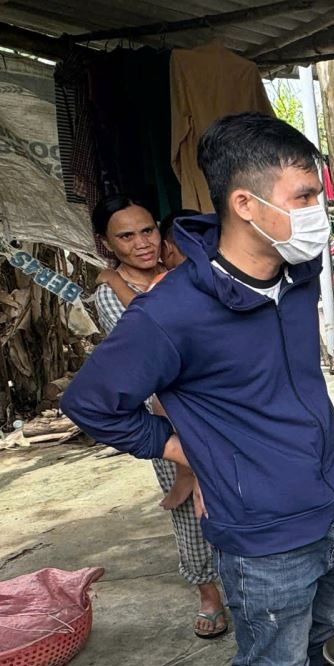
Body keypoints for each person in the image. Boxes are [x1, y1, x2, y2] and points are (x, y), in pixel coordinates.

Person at [63, 113, 334, 666]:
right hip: (261, 529)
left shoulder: (297, 274)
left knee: (314, 637)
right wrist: (180, 446)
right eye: (304, 196)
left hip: (329, 502)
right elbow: (92, 403)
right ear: (246, 203)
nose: (319, 212)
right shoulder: (171, 312)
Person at [88, 195, 226, 638]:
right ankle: (209, 593)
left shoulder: (182, 270)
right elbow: (148, 347)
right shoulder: (108, 295)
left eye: (147, 231)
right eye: (126, 236)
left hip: (216, 403)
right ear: (107, 243)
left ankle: (246, 580)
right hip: (164, 411)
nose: (141, 243)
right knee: (187, 512)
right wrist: (115, 280)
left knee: (232, 493)